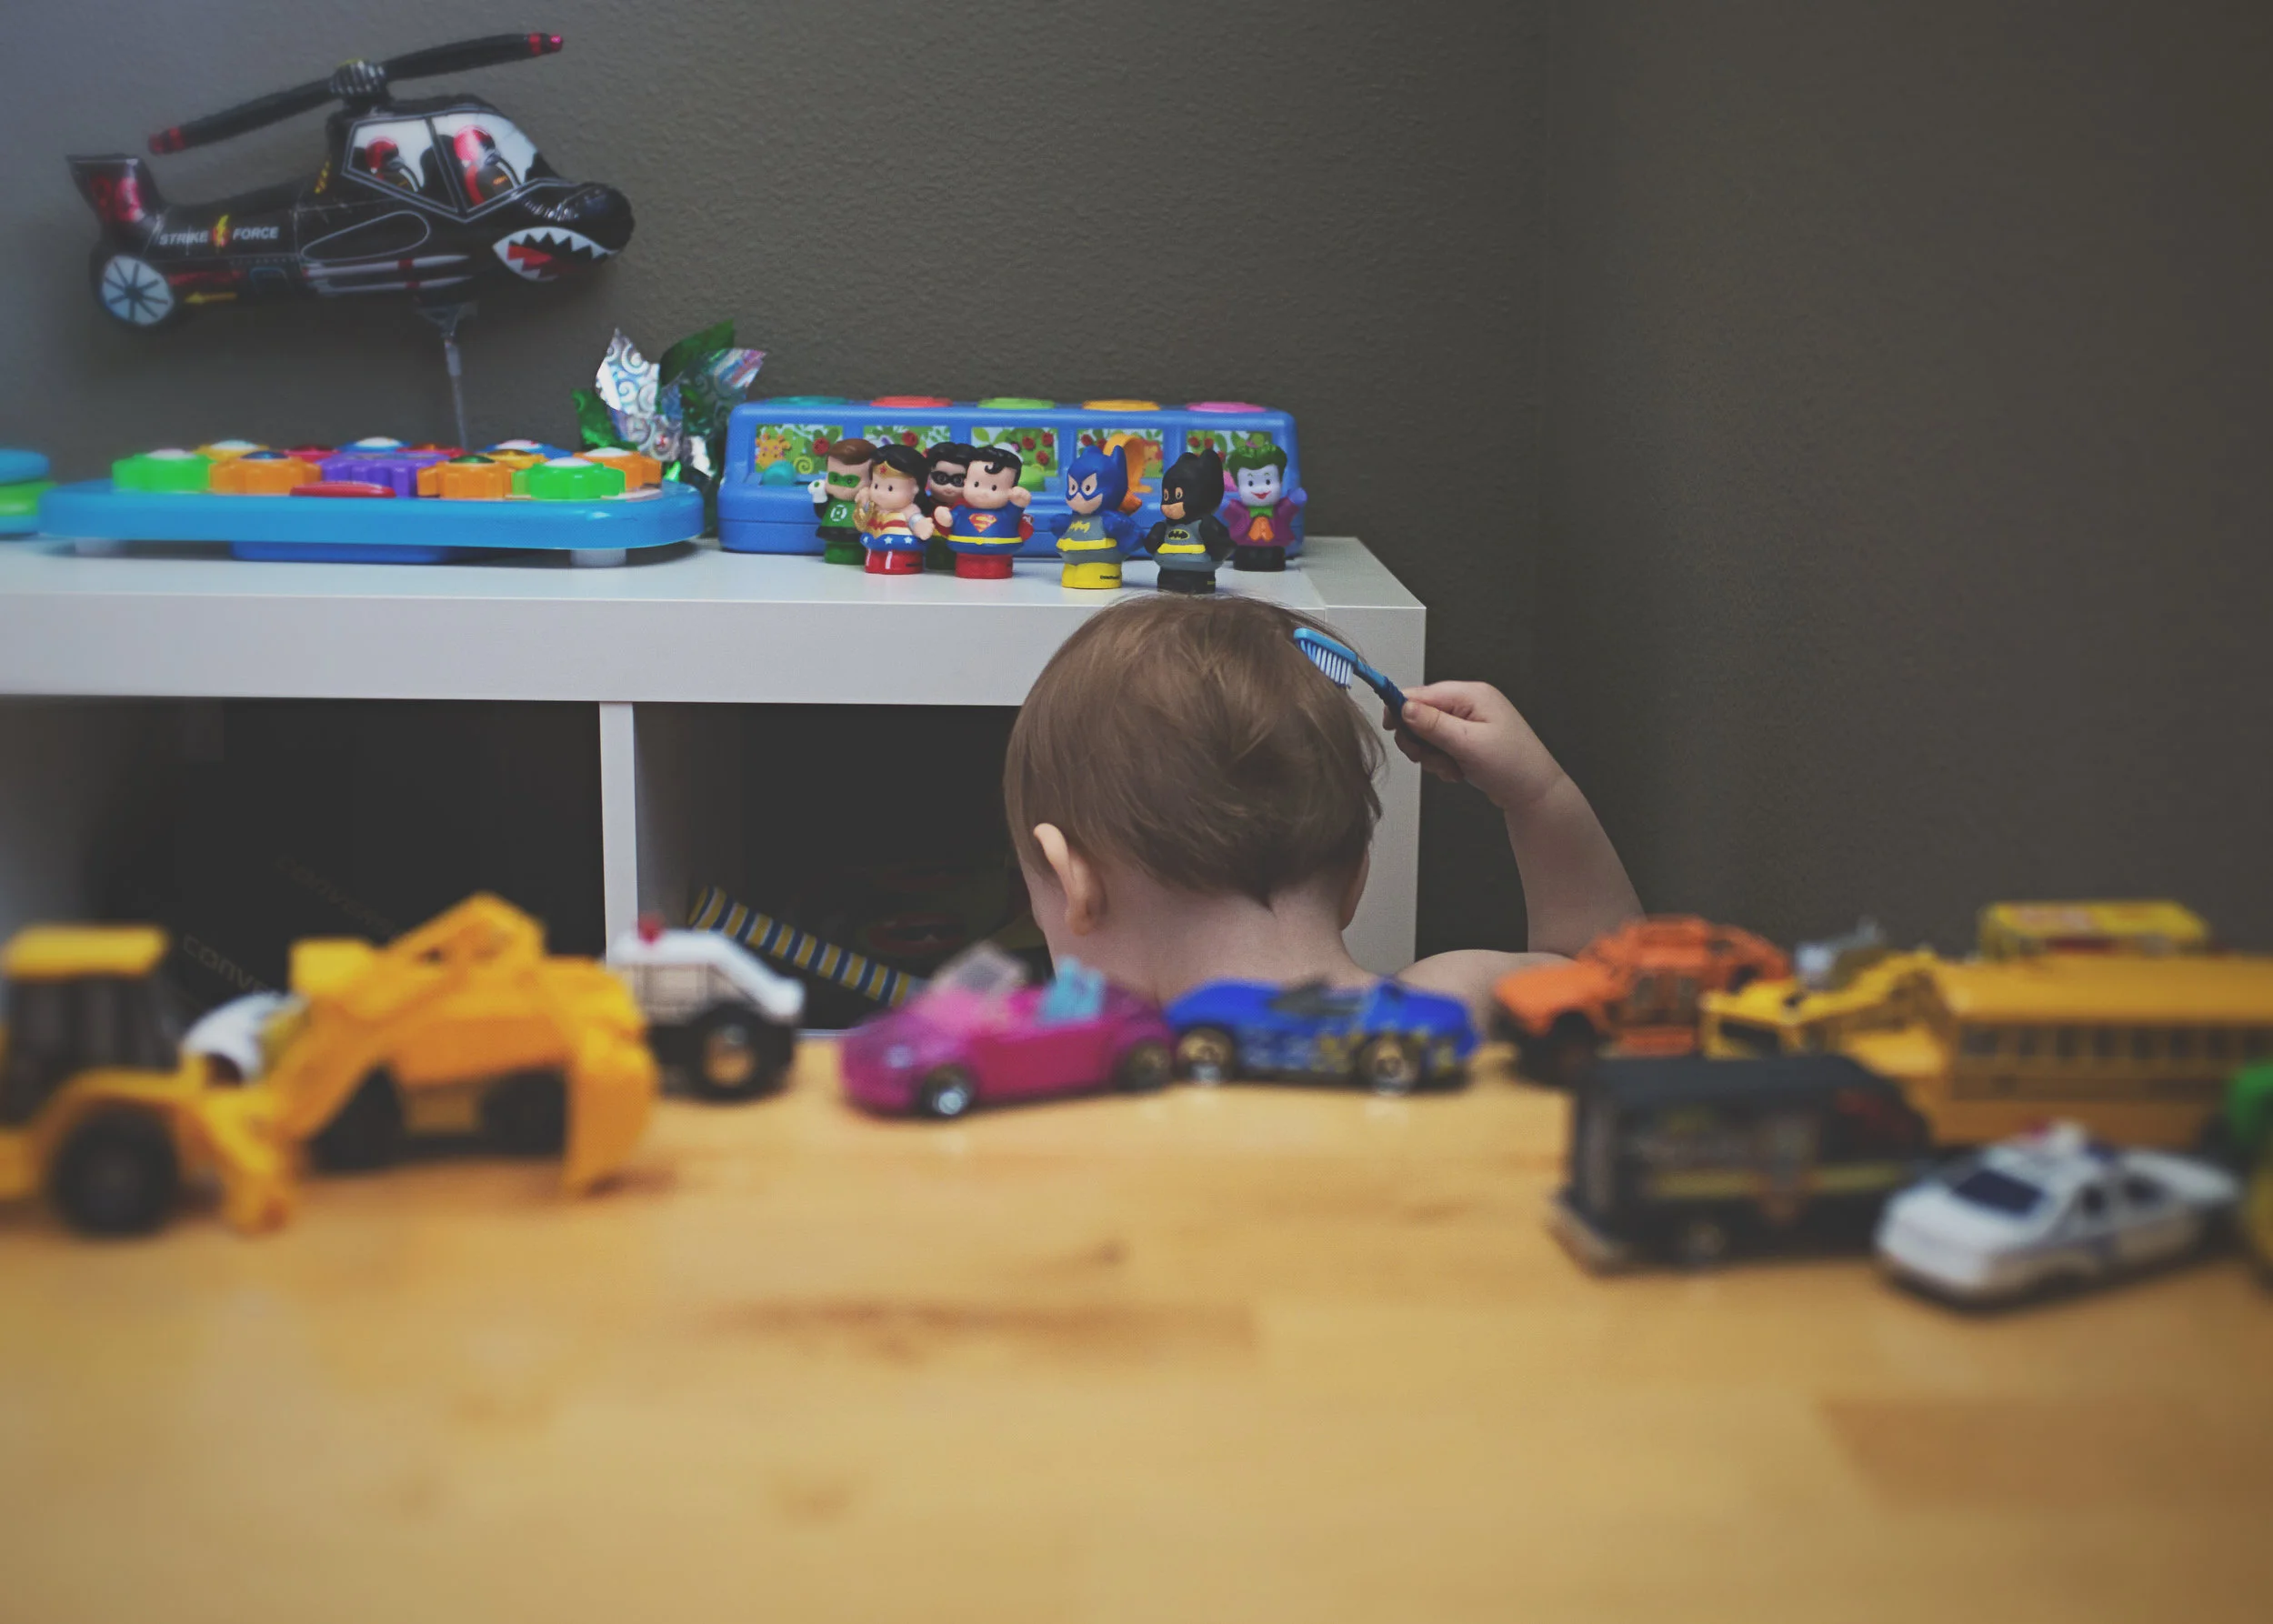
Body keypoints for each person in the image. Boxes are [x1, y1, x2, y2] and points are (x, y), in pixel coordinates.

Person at [1001, 595, 1639, 1026]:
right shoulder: (1447, 1007)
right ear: (1358, 876)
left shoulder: (1080, 1089)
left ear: (1072, 883)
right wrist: (1538, 795)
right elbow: (1609, 988)